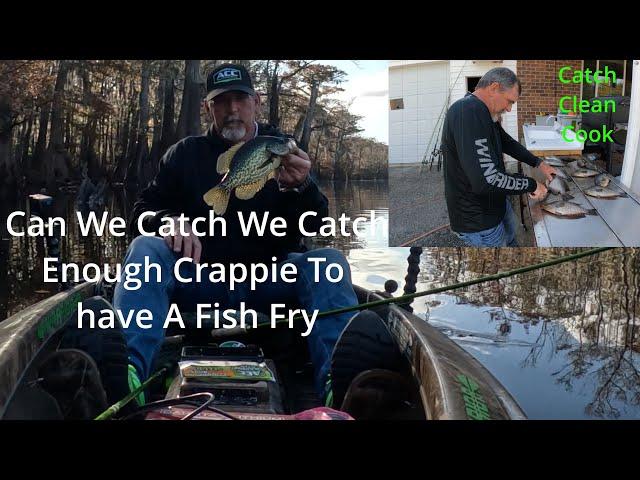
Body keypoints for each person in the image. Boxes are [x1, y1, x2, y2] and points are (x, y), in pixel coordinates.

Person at [111, 63, 360, 405]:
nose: (232, 110)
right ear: (208, 108)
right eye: (221, 101)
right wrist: (166, 221)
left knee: (328, 262)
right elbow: (142, 212)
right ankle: (127, 375)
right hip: (198, 280)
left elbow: (315, 223)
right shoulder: (185, 154)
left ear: (256, 102)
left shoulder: (282, 151)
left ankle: (339, 383)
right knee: (145, 248)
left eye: (240, 99)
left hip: (271, 279)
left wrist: (301, 188)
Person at [441, 67, 556, 247]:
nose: (509, 109)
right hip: (480, 222)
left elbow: (507, 142)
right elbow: (487, 180)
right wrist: (531, 184)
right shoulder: (467, 112)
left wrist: (539, 163)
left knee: (513, 245)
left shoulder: (483, 113)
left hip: (498, 206)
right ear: (494, 88)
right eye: (509, 101)